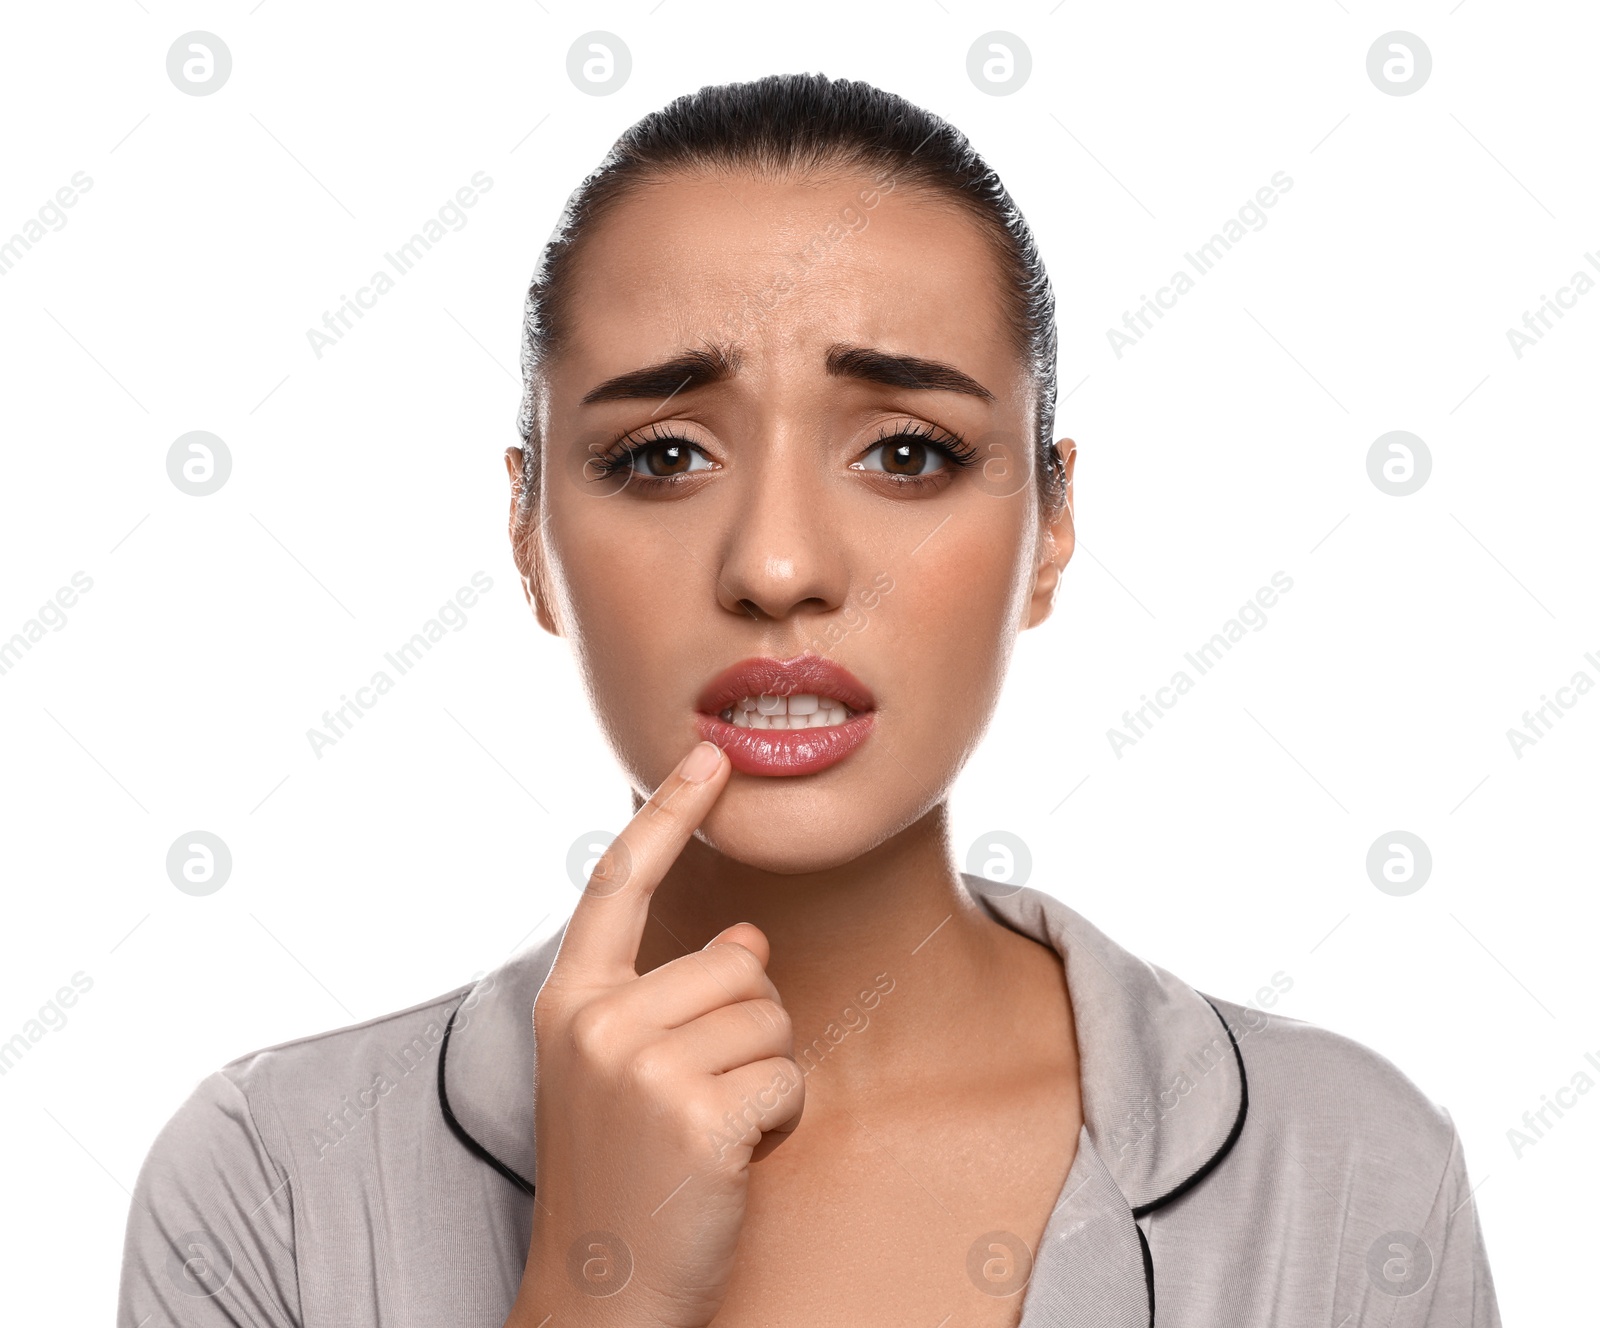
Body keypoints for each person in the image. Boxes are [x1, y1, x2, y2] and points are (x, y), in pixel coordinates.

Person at [117, 72, 1501, 1327]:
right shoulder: (268, 1187)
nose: (778, 565)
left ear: (1054, 527)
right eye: (662, 454)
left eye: (906, 451)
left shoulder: (1351, 1175)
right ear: (531, 531)